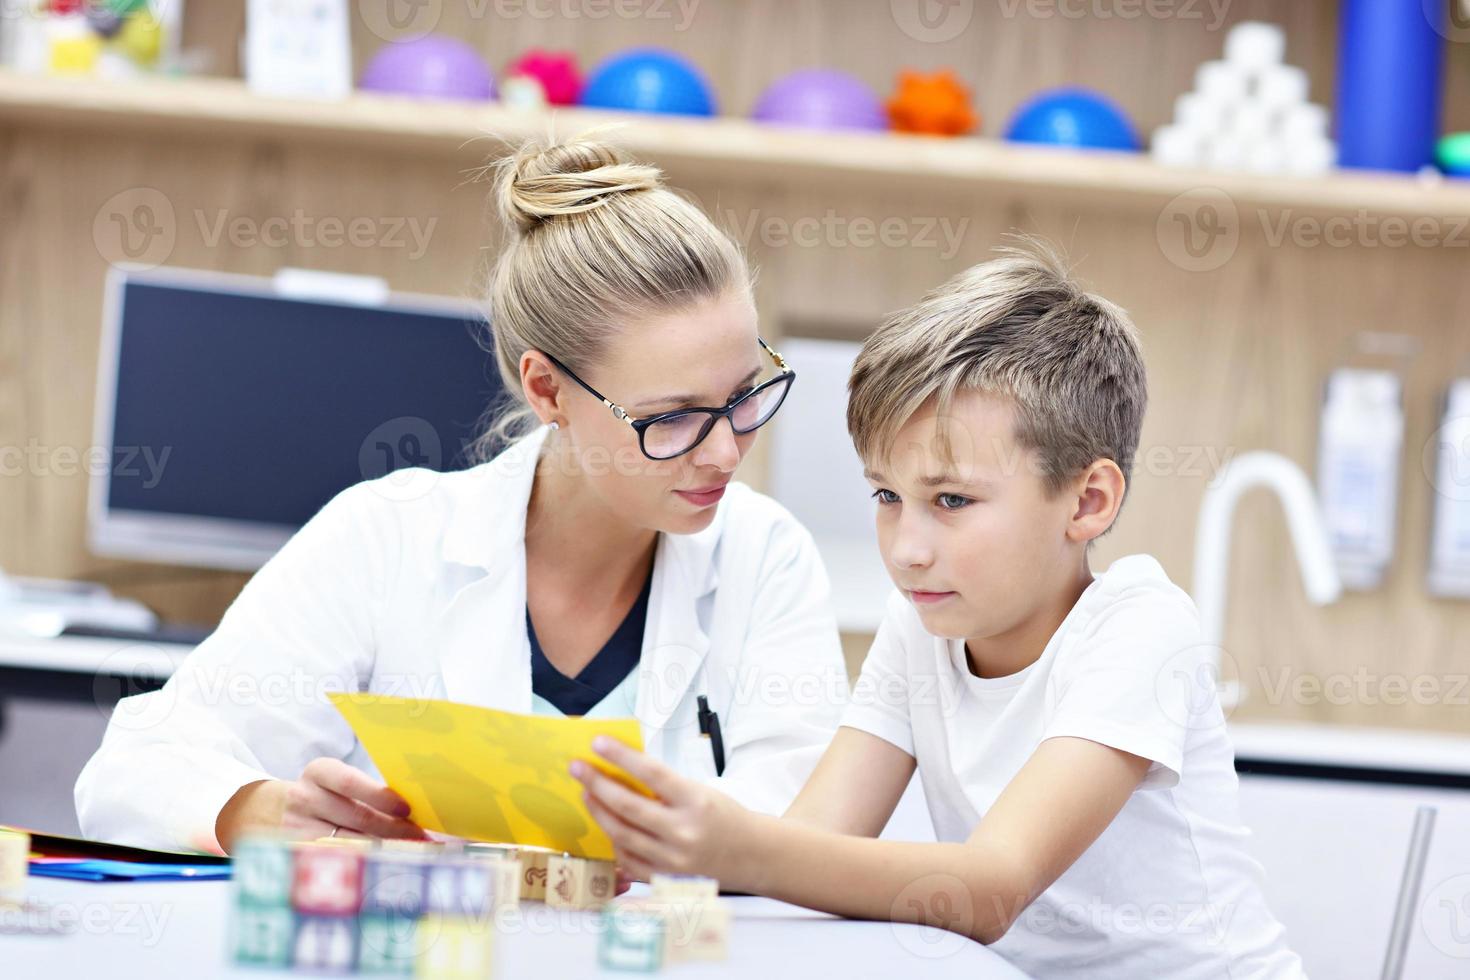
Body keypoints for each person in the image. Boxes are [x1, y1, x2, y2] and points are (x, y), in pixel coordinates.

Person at [75, 135, 847, 855]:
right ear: (548, 390)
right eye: (672, 418)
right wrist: (260, 809)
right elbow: (134, 769)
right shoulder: (387, 537)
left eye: (746, 395)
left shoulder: (762, 557)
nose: (726, 450)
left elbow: (807, 836)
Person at [571, 242, 1305, 977]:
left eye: (951, 500)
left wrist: (735, 848)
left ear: (1087, 501)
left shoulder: (1140, 627)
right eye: (887, 497)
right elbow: (816, 838)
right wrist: (640, 842)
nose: (908, 549)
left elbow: (988, 890)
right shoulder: (921, 626)